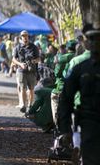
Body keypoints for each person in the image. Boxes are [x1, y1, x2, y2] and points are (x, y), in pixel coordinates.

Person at [57, 24, 100, 165]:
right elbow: (65, 99)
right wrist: (65, 129)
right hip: (89, 125)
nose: (94, 42)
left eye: (97, 38)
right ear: (86, 42)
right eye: (91, 38)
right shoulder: (80, 68)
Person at [12, 30, 40, 112]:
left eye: (26, 36)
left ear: (28, 37)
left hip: (32, 71)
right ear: (21, 37)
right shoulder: (17, 47)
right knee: (22, 87)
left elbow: (39, 58)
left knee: (31, 89)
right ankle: (23, 105)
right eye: (23, 36)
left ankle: (30, 105)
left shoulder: (34, 47)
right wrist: (20, 64)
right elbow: (13, 59)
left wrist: (33, 61)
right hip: (21, 70)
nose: (25, 37)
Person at [51, 40, 76, 127]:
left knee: (55, 101)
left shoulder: (63, 58)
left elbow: (57, 73)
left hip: (61, 86)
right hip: (77, 88)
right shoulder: (81, 57)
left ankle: (57, 127)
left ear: (67, 48)